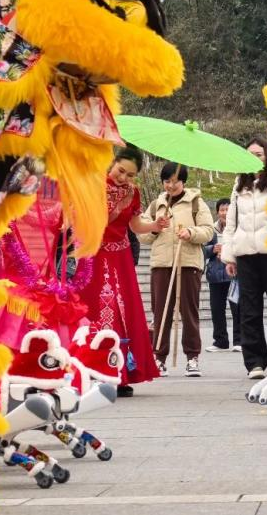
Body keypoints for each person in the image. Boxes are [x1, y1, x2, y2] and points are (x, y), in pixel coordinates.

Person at [80, 146, 166, 397]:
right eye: (120, 171)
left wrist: (155, 225)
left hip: (121, 257)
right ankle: (92, 371)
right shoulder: (92, 184)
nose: (123, 178)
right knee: (95, 310)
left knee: (124, 312)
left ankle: (120, 373)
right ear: (112, 163)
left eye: (130, 175)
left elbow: (135, 225)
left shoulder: (133, 192)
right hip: (94, 256)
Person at [222, 137, 267, 379]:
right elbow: (231, 223)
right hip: (246, 255)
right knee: (249, 310)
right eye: (250, 154)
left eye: (258, 154)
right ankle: (254, 362)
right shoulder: (239, 184)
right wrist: (229, 256)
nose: (254, 158)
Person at [140, 163, 213, 377]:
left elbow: (208, 231)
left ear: (183, 182)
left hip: (188, 263)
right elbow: (142, 235)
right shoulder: (156, 205)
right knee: (160, 313)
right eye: (167, 181)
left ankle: (192, 357)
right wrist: (155, 228)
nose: (171, 185)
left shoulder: (196, 203)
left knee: (189, 313)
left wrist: (191, 232)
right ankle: (159, 357)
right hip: (161, 264)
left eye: (175, 181)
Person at [205, 198, 241, 352]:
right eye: (222, 210)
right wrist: (212, 249)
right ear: (217, 212)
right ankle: (220, 341)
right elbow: (201, 250)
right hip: (215, 274)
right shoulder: (211, 230)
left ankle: (239, 341)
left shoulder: (238, 228)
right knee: (216, 309)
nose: (224, 213)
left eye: (227, 209)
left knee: (237, 308)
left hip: (234, 274)